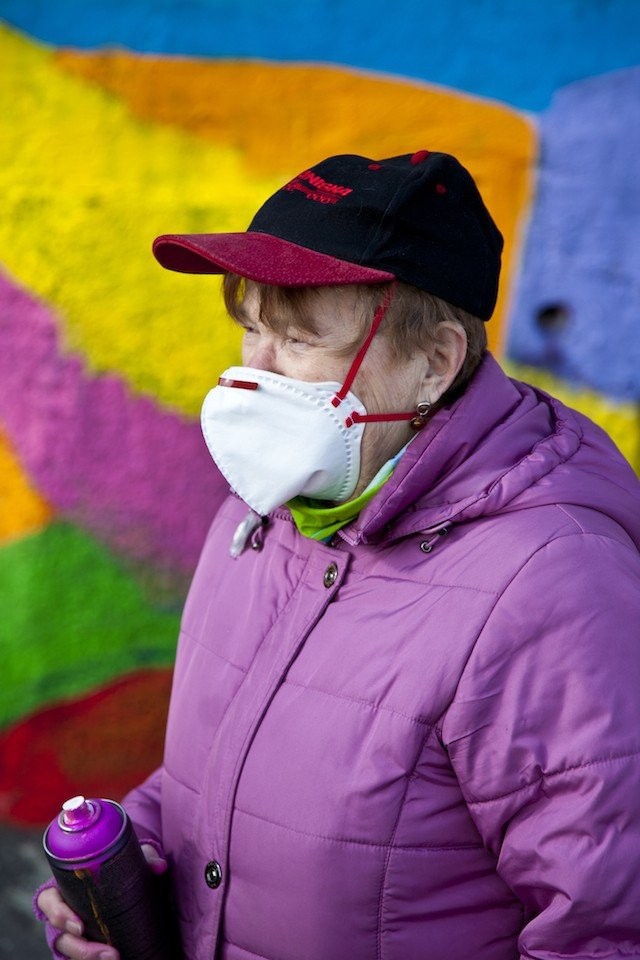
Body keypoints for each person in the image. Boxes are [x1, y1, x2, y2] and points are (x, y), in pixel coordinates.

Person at [36, 150, 640, 960]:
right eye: (252, 327)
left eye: (297, 338)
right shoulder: (269, 508)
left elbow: (605, 930)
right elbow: (229, 770)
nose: (253, 370)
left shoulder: (553, 581)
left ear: (433, 365)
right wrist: (133, 862)